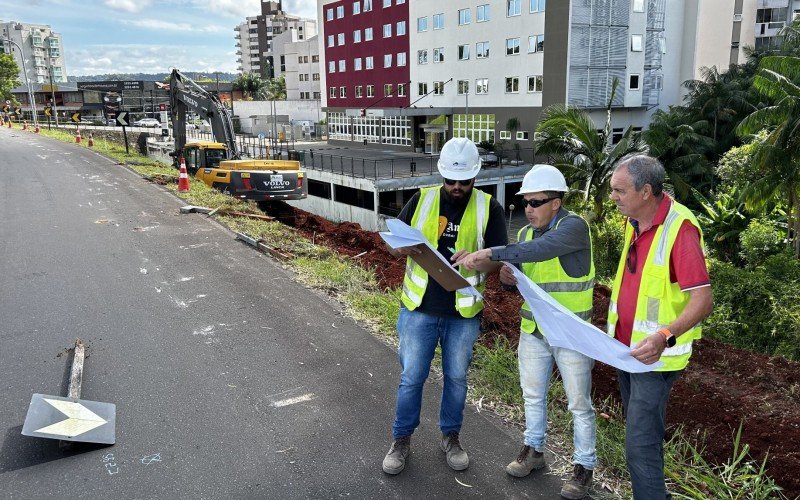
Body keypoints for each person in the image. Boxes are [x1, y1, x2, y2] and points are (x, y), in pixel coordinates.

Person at [456, 164, 597, 499]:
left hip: (571, 333)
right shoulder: (523, 235)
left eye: (536, 202)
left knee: (579, 403)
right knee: (532, 395)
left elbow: (538, 251)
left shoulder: (574, 228)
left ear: (556, 203)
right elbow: (518, 272)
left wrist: (490, 252)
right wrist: (503, 275)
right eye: (525, 204)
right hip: (534, 329)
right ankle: (533, 451)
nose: (529, 209)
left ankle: (584, 467)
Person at [382, 137, 508, 475]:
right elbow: (395, 243)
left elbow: (498, 260)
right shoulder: (421, 199)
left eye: (463, 182)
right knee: (411, 378)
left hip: (462, 314)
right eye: (450, 181)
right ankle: (401, 440)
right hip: (419, 308)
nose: (456, 187)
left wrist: (479, 261)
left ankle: (450, 436)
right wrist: (402, 249)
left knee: (456, 378)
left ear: (475, 177)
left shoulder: (488, 207)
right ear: (441, 175)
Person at [607, 155, 713, 499]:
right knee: (641, 441)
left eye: (619, 190)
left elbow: (703, 301)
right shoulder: (634, 220)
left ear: (646, 191)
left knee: (640, 447)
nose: (613, 197)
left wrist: (664, 336)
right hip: (627, 352)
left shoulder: (679, 230)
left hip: (655, 360)